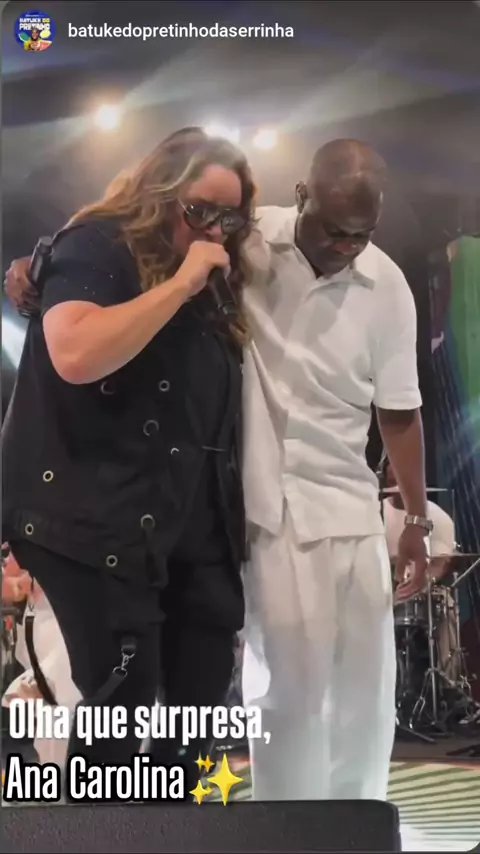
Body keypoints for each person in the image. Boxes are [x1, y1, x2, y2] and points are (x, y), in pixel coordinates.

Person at [2, 126, 255, 794]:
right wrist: (182, 284)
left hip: (188, 522)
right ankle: (101, 833)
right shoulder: (96, 246)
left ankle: (177, 829)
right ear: (159, 193)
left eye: (229, 219)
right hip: (93, 514)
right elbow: (75, 353)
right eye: (199, 211)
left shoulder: (223, 279)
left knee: (200, 700)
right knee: (122, 699)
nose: (214, 230)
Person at [239, 139, 431, 800]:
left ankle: (357, 828)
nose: (347, 246)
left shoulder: (388, 286)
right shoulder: (247, 242)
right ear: (302, 196)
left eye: (361, 233)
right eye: (334, 230)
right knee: (285, 695)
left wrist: (415, 520)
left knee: (363, 698)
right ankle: (287, 832)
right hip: (269, 512)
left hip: (350, 508)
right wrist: (48, 261)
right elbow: (146, 231)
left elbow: (399, 412)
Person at [2, 550, 81, 769]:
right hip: (48, 624)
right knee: (55, 710)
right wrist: (18, 583)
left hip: (85, 624)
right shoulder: (26, 540)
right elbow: (9, 585)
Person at [382, 458, 459, 681]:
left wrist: (420, 583)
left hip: (423, 592)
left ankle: (447, 681)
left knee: (446, 605)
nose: (396, 484)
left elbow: (441, 563)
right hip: (383, 590)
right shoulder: (374, 513)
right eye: (392, 479)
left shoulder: (437, 516)